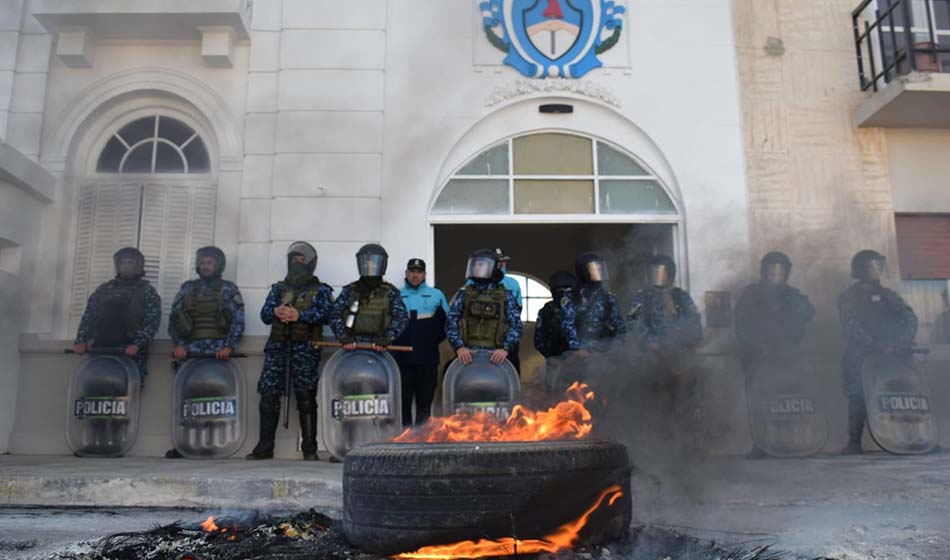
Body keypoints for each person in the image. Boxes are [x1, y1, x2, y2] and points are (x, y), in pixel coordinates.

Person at [247, 242, 333, 461]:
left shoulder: (321, 289)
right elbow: (265, 315)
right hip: (278, 347)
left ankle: (310, 448)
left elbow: (328, 314)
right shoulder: (278, 289)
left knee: (305, 397)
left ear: (311, 264)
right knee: (268, 395)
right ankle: (265, 446)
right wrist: (277, 311)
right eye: (294, 259)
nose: (297, 262)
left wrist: (300, 316)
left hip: (305, 349)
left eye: (302, 260)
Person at [164, 246, 245, 459]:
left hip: (217, 352)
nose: (205, 266)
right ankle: (185, 444)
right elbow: (174, 319)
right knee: (188, 401)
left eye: (210, 262)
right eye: (203, 262)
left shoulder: (228, 289)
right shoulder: (187, 288)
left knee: (215, 399)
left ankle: (215, 442)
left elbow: (238, 319)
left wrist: (229, 346)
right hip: (190, 353)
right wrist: (179, 345)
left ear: (218, 265)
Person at [734, 251, 815, 458]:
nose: (776, 274)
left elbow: (808, 312)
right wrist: (758, 348)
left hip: (788, 356)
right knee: (761, 401)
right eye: (772, 269)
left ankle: (790, 441)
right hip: (760, 357)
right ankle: (761, 444)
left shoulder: (791, 294)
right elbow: (742, 325)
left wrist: (793, 303)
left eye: (781, 270)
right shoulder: (752, 294)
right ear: (764, 271)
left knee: (789, 399)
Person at [837, 249, 918, 455]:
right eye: (873, 266)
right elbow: (850, 327)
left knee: (904, 392)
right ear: (861, 269)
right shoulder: (849, 297)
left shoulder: (888, 296)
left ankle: (914, 436)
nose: (878, 271)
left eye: (879, 266)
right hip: (861, 356)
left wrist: (900, 343)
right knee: (858, 395)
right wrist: (874, 345)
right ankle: (854, 442)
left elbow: (909, 318)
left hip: (892, 354)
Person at [73, 247, 161, 387]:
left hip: (130, 354)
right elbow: (89, 315)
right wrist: (81, 340)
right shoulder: (104, 289)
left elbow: (152, 321)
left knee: (126, 394)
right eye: (123, 263)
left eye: (130, 263)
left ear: (138, 267)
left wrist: (137, 344)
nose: (126, 266)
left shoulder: (147, 291)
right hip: (101, 350)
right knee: (95, 390)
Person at [392, 258, 449, 426]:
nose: (415, 275)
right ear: (406, 273)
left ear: (424, 274)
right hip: (402, 359)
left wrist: (430, 341)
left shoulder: (436, 295)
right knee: (403, 404)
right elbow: (389, 323)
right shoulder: (396, 295)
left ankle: (423, 442)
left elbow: (447, 324)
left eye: (419, 272)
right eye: (412, 271)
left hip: (427, 358)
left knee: (425, 404)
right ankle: (405, 443)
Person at [446, 249, 523, 367]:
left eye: (481, 265)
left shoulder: (505, 296)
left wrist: (505, 349)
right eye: (475, 264)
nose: (477, 268)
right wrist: (459, 347)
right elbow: (451, 321)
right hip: (468, 356)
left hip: (497, 357)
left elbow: (516, 324)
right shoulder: (465, 294)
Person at [329, 243, 409, 352]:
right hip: (353, 347)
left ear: (382, 264)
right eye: (367, 262)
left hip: (380, 348)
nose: (371, 266)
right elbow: (334, 314)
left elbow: (401, 318)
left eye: (374, 263)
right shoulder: (350, 290)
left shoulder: (390, 292)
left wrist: (387, 338)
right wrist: (344, 337)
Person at [627, 254, 702, 350]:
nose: (656, 276)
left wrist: (690, 341)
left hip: (681, 352)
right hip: (652, 354)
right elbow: (633, 323)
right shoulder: (642, 297)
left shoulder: (681, 296)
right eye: (653, 272)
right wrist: (653, 343)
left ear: (670, 273)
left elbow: (694, 320)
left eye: (661, 272)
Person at [572, 252, 625, 349]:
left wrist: (616, 348)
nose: (599, 271)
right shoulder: (573, 297)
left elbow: (619, 326)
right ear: (584, 271)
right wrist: (577, 349)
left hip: (605, 353)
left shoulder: (608, 297)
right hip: (581, 354)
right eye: (594, 268)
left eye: (600, 268)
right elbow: (567, 325)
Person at [534, 270, 580, 359]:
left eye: (567, 289)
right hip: (569, 360)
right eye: (560, 289)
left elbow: (538, 342)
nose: (564, 293)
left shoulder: (546, 309)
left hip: (560, 360)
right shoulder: (580, 307)